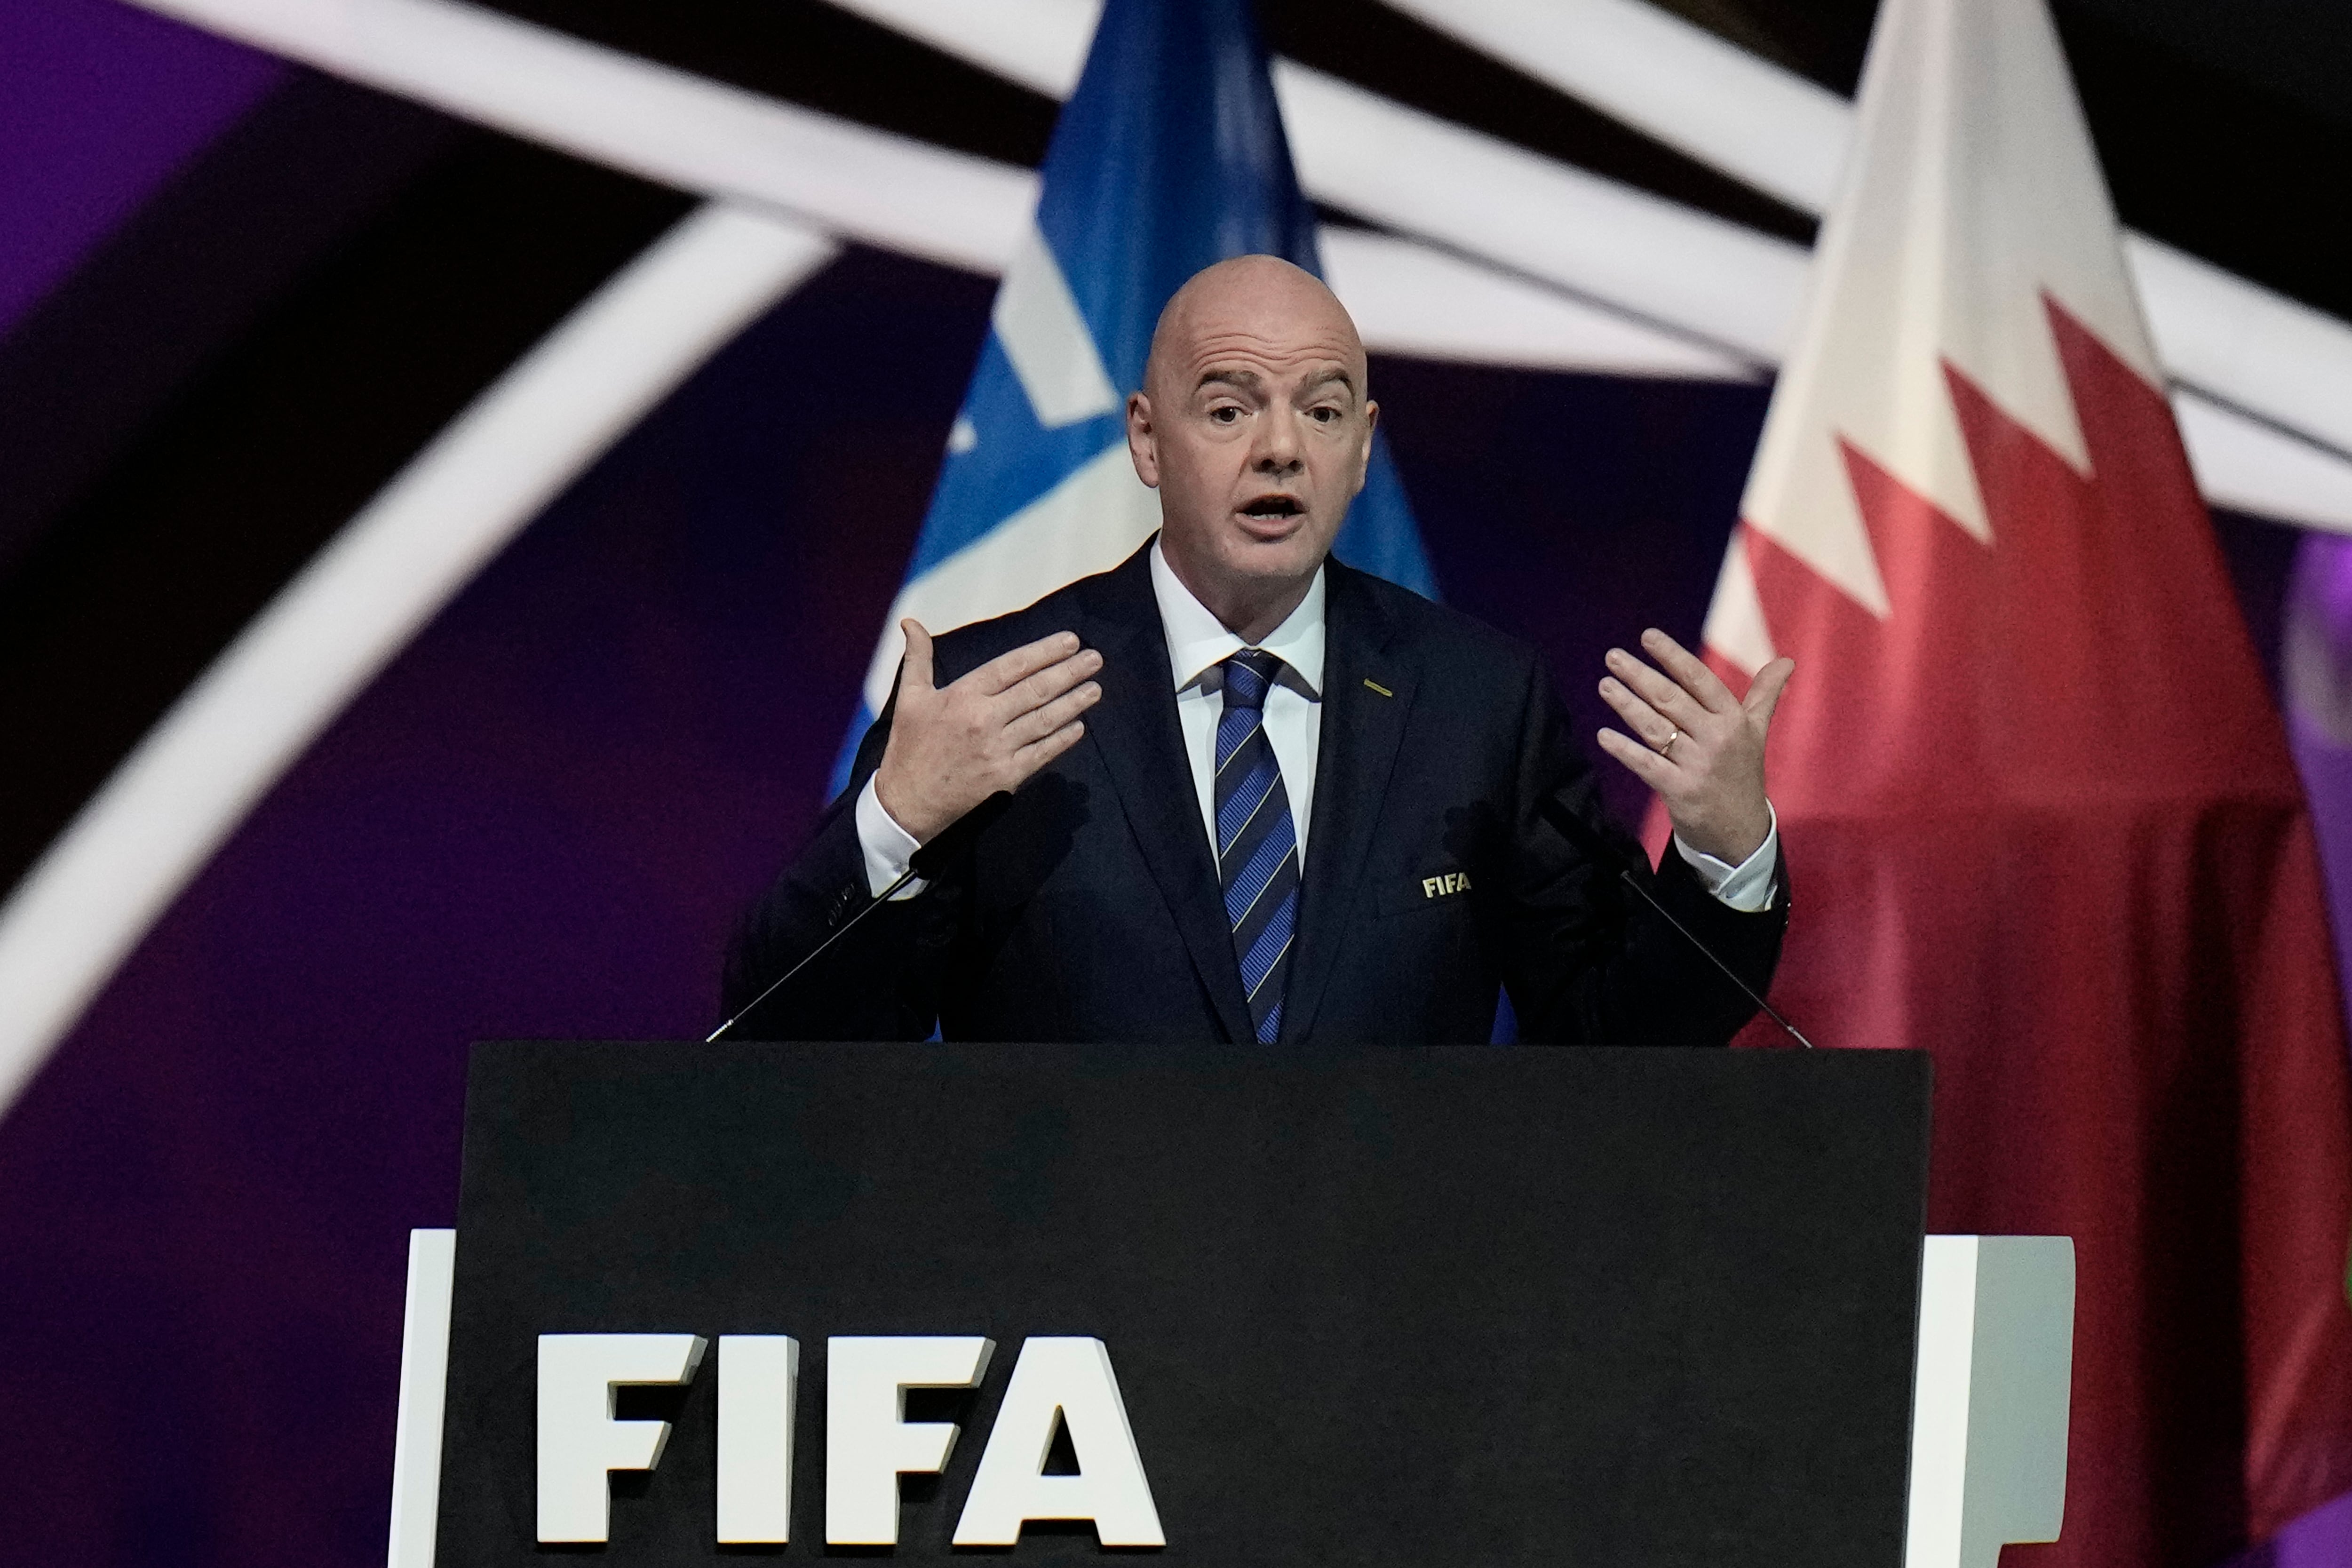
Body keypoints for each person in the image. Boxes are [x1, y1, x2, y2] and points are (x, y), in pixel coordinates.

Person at [724, 256, 1794, 1046]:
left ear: (1363, 445)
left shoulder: (1475, 702)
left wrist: (1725, 852)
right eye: (1230, 407)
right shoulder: (992, 701)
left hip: (1382, 1308)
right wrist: (893, 827)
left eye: (1322, 410)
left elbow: (1620, 1037)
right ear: (1148, 439)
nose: (1281, 445)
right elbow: (788, 1034)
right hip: (1073, 1303)